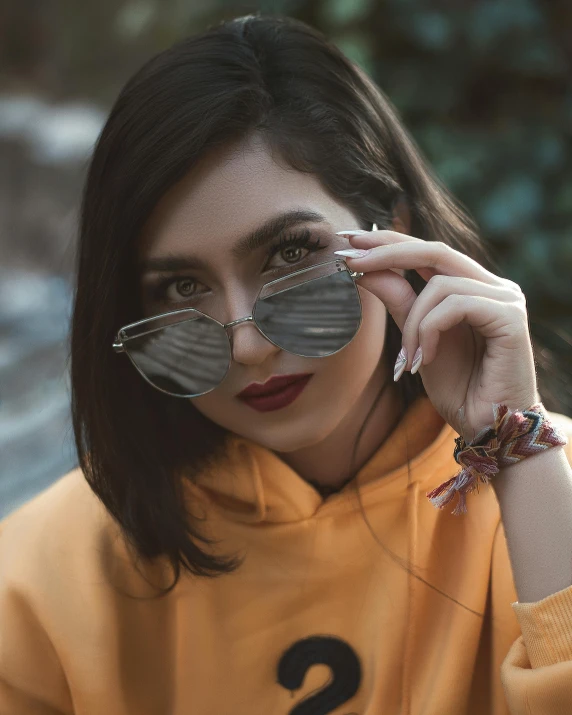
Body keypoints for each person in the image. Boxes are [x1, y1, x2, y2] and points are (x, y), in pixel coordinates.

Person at [1, 14, 572, 715]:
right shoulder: (36, 583)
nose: (247, 346)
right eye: (181, 287)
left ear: (393, 231)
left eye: (291, 254)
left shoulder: (551, 487)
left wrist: (519, 449)